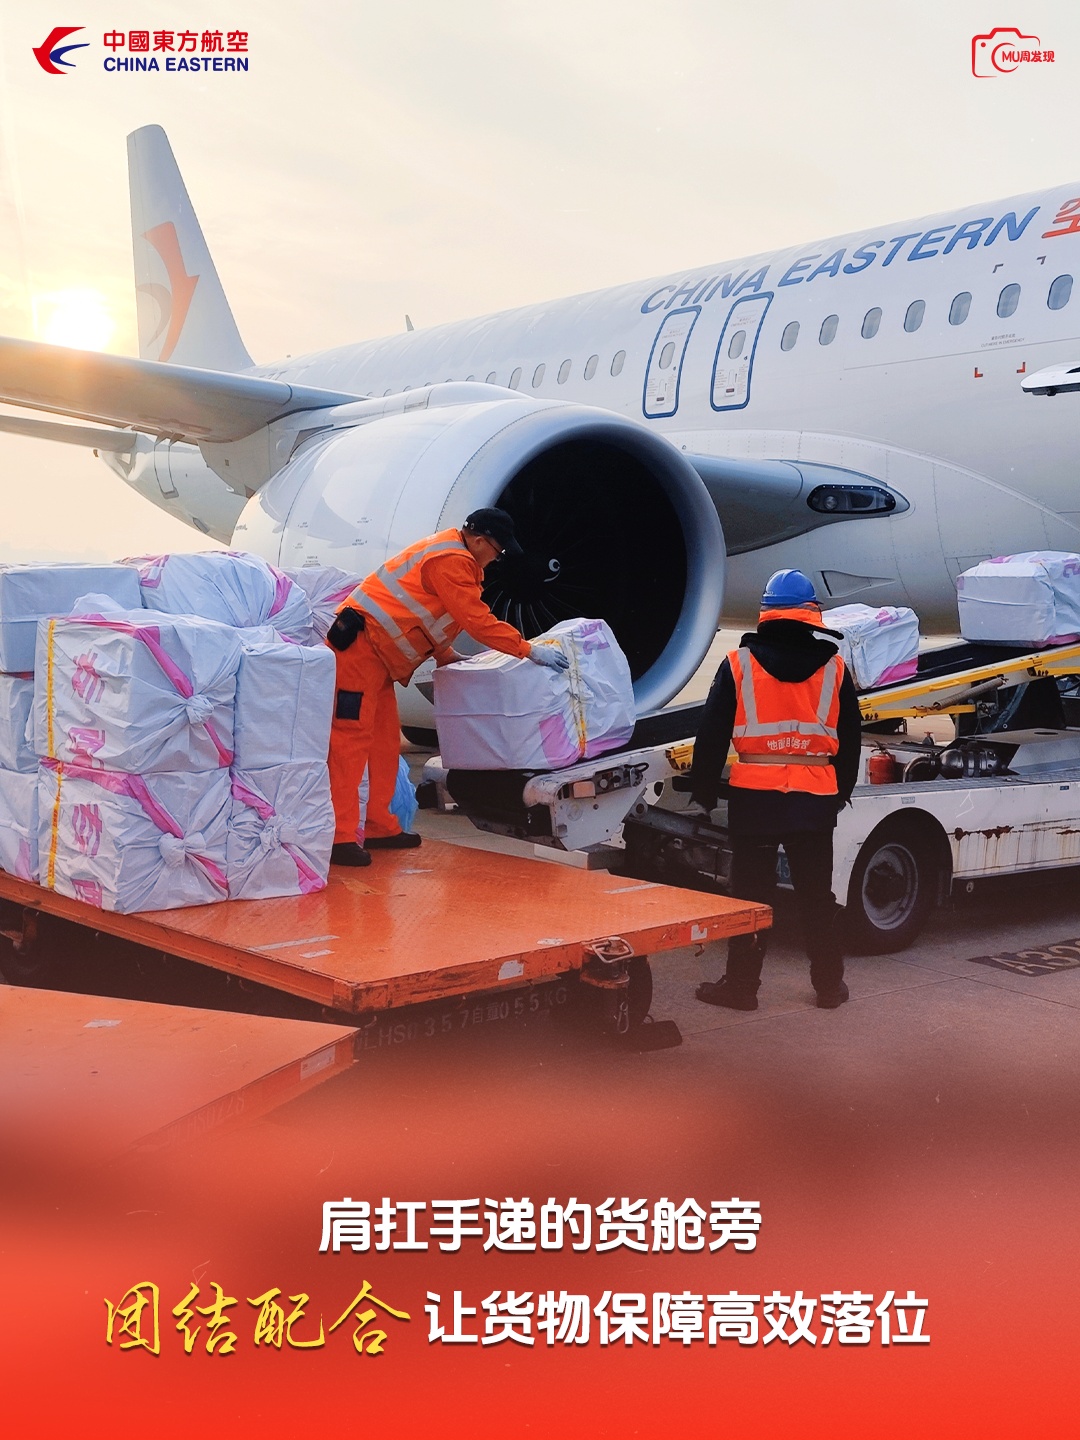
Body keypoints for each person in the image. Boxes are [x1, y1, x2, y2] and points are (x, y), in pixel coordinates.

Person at [326, 508, 569, 866]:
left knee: (383, 743)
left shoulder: (450, 554)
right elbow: (475, 620)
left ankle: (379, 826)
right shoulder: (451, 561)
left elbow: (424, 613)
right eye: (498, 551)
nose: (497, 559)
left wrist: (445, 654)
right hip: (359, 654)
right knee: (350, 743)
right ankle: (340, 838)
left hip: (376, 658)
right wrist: (528, 650)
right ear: (480, 541)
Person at [687, 569, 862, 1009]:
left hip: (755, 800)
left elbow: (711, 735)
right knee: (816, 898)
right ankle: (829, 987)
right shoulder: (835, 669)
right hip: (814, 800)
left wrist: (703, 794)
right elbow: (851, 740)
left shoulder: (738, 664)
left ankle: (742, 987)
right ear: (811, 614)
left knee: (750, 898)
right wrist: (839, 793)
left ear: (766, 612)